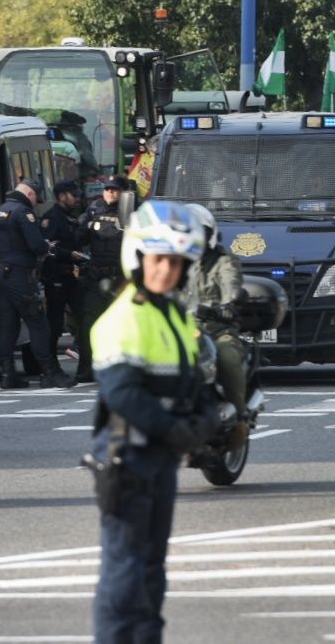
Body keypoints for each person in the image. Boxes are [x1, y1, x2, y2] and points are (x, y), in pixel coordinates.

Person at [87, 200, 218, 643]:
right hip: (129, 458)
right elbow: (122, 392)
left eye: (177, 262)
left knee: (152, 573)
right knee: (125, 574)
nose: (167, 270)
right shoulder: (123, 318)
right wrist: (175, 430)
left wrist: (203, 419)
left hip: (161, 457)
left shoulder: (176, 314)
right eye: (159, 259)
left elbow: (195, 381)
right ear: (139, 258)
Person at [0, 177, 67, 389]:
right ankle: (49, 372)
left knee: (8, 323)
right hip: (19, 274)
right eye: (35, 199)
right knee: (37, 321)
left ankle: (7, 374)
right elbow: (36, 245)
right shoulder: (24, 213)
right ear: (30, 194)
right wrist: (46, 246)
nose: (35, 203)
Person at [183, 203, 248, 449]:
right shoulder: (172, 263)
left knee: (228, 358)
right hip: (177, 331)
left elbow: (231, 282)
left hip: (215, 329)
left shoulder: (223, 261)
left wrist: (228, 303)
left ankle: (239, 418)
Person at [74, 178, 126, 383]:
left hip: (121, 277)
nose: (111, 193)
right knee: (89, 324)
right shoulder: (93, 210)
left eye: (115, 190)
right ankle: (86, 369)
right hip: (97, 275)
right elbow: (78, 239)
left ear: (124, 192)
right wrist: (87, 226)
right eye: (108, 190)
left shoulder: (133, 212)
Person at [41, 179, 88, 373]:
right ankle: (50, 365)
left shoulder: (71, 218)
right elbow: (47, 247)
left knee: (86, 317)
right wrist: (69, 255)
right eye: (73, 195)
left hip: (72, 275)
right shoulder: (51, 218)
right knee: (54, 323)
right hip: (56, 277)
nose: (78, 199)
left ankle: (86, 362)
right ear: (62, 196)